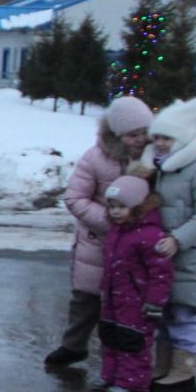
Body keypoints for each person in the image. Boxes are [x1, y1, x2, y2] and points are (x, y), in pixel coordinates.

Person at [43, 95, 155, 366]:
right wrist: (109, 221)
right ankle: (74, 345)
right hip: (98, 241)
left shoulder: (155, 160)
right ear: (116, 135)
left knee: (129, 303)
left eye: (144, 133)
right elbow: (74, 198)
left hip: (137, 244)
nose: (139, 140)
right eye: (132, 135)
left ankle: (127, 357)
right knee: (86, 299)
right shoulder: (95, 159)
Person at [146, 98, 196, 392]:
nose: (160, 143)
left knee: (183, 314)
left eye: (166, 138)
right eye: (157, 137)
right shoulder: (166, 167)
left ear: (181, 138)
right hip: (165, 255)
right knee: (164, 312)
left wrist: (179, 238)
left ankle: (184, 371)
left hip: (190, 256)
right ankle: (164, 367)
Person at [91, 175, 174, 392]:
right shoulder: (117, 231)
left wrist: (155, 301)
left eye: (122, 207)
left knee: (132, 340)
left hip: (136, 300)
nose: (116, 212)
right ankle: (111, 375)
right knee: (110, 336)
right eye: (113, 207)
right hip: (113, 296)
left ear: (138, 206)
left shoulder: (149, 234)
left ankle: (133, 383)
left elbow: (160, 272)